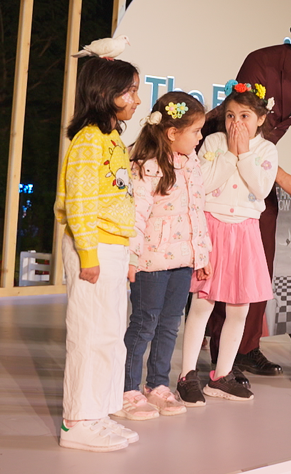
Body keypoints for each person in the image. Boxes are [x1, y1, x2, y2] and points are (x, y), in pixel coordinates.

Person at [207, 12, 291, 377]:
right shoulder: (262, 63)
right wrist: (286, 180)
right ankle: (222, 354)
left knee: (259, 259)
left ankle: (246, 348)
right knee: (228, 260)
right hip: (227, 159)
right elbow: (242, 128)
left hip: (260, 167)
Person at [55, 53, 142, 452]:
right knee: (89, 334)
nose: (136, 100)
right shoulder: (89, 140)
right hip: (94, 247)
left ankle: (98, 413)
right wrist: (88, 255)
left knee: (109, 334)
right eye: (130, 91)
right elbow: (80, 201)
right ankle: (76, 421)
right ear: (106, 93)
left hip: (113, 247)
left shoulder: (112, 139)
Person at [175, 83, 279, 404]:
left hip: (246, 231)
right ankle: (187, 375)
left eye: (245, 116)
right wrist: (231, 154)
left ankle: (221, 376)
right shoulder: (214, 142)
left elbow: (261, 188)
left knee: (239, 308)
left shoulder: (266, 150)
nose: (237, 122)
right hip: (213, 227)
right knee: (203, 303)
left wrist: (244, 152)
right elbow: (204, 183)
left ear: (261, 119)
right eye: (231, 115)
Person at [119, 92, 210, 420]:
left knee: (170, 324)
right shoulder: (147, 165)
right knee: (145, 323)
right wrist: (131, 256)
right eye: (195, 131)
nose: (200, 137)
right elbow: (136, 214)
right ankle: (126, 389)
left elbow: (196, 211)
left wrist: (202, 255)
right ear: (172, 132)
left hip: (181, 262)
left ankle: (157, 385)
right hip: (151, 262)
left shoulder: (192, 163)